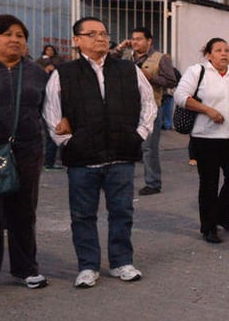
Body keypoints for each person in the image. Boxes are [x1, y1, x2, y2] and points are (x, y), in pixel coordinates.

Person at [44, 17, 157, 288]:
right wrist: (69, 143)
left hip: (121, 155)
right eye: (92, 34)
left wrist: (138, 135)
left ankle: (121, 262)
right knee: (83, 215)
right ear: (77, 40)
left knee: (122, 212)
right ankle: (87, 266)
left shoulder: (128, 69)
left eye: (104, 33)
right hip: (83, 159)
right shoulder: (64, 72)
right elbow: (52, 113)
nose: (101, 39)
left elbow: (148, 104)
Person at [0, 15, 50, 300]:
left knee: (23, 211)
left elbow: (47, 107)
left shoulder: (35, 72)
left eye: (20, 35)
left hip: (27, 150)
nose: (15, 39)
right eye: (7, 34)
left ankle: (26, 268)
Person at [174, 38, 229, 244]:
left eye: (227, 50)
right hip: (205, 138)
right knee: (209, 184)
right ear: (209, 54)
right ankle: (208, 227)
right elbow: (181, 96)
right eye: (218, 50)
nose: (224, 54)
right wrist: (208, 110)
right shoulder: (197, 71)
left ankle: (223, 215)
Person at [113, 27, 177, 196]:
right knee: (127, 146)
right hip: (128, 107)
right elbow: (108, 62)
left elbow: (171, 81)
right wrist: (120, 47)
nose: (135, 42)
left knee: (149, 147)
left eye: (139, 39)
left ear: (149, 41)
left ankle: (153, 182)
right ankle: (122, 181)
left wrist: (151, 77)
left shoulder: (160, 58)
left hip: (151, 107)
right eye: (133, 39)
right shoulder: (127, 57)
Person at [36, 44, 66, 170]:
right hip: (45, 104)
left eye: (51, 50)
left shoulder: (59, 62)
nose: (49, 52)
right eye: (47, 49)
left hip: (57, 103)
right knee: (50, 136)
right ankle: (48, 162)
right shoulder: (39, 63)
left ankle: (53, 161)